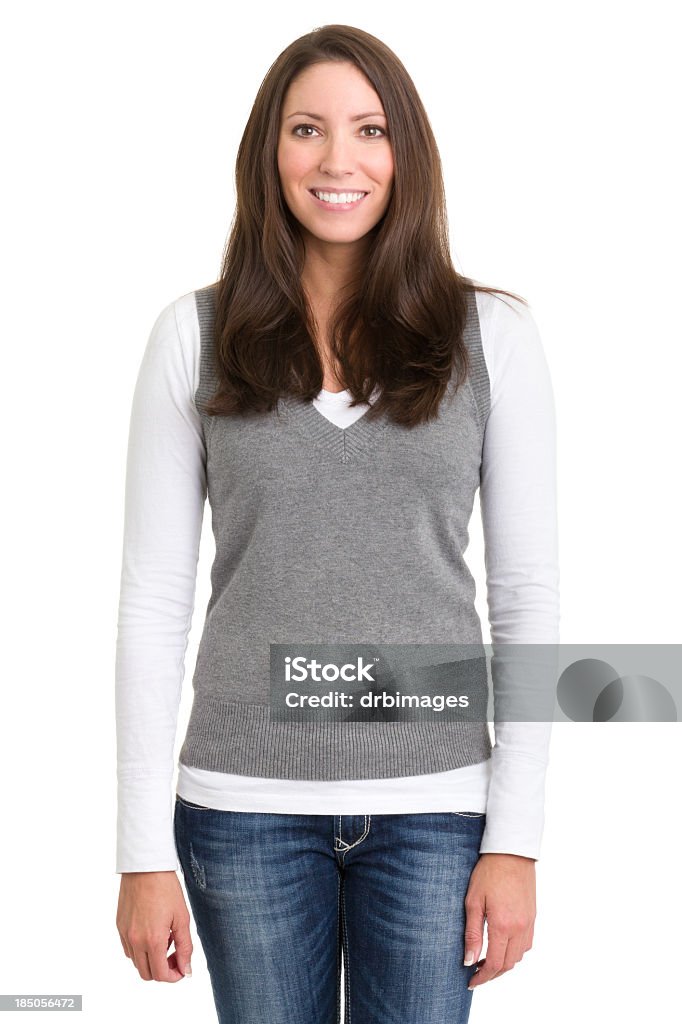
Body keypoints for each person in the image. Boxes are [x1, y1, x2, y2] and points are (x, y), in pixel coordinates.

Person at [115, 23, 558, 1024]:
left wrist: (514, 838)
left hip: (439, 812)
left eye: (369, 130)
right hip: (241, 813)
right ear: (269, 155)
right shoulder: (193, 337)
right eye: (306, 129)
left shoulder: (494, 340)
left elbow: (527, 596)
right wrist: (141, 851)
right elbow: (153, 599)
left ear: (406, 154)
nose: (337, 160)